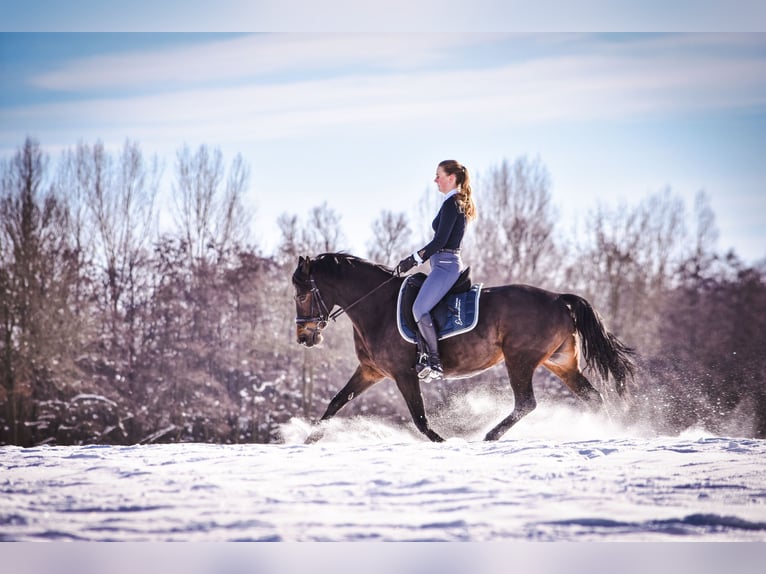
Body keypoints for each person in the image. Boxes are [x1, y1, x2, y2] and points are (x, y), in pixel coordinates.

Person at [396, 159, 477, 381]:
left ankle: (434, 362)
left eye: (438, 175)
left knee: (419, 309)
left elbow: (439, 241)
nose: (435, 180)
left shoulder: (452, 204)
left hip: (446, 266)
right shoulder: (453, 202)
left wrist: (413, 260)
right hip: (441, 265)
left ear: (451, 178)